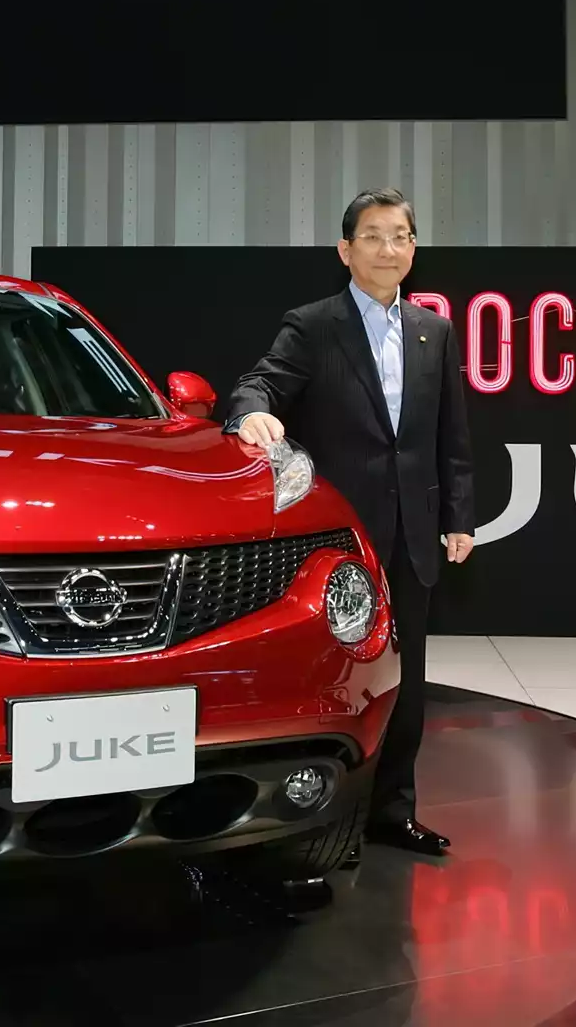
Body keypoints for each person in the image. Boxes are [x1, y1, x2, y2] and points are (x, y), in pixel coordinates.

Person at [223, 188, 475, 857]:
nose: (388, 249)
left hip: (415, 533)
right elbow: (258, 383)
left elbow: (451, 436)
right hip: (340, 540)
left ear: (414, 249)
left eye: (400, 236)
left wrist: (459, 515)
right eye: (373, 236)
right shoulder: (314, 325)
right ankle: (330, 819)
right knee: (339, 681)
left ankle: (394, 811)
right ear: (345, 249)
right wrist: (251, 413)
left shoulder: (434, 331)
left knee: (407, 682)